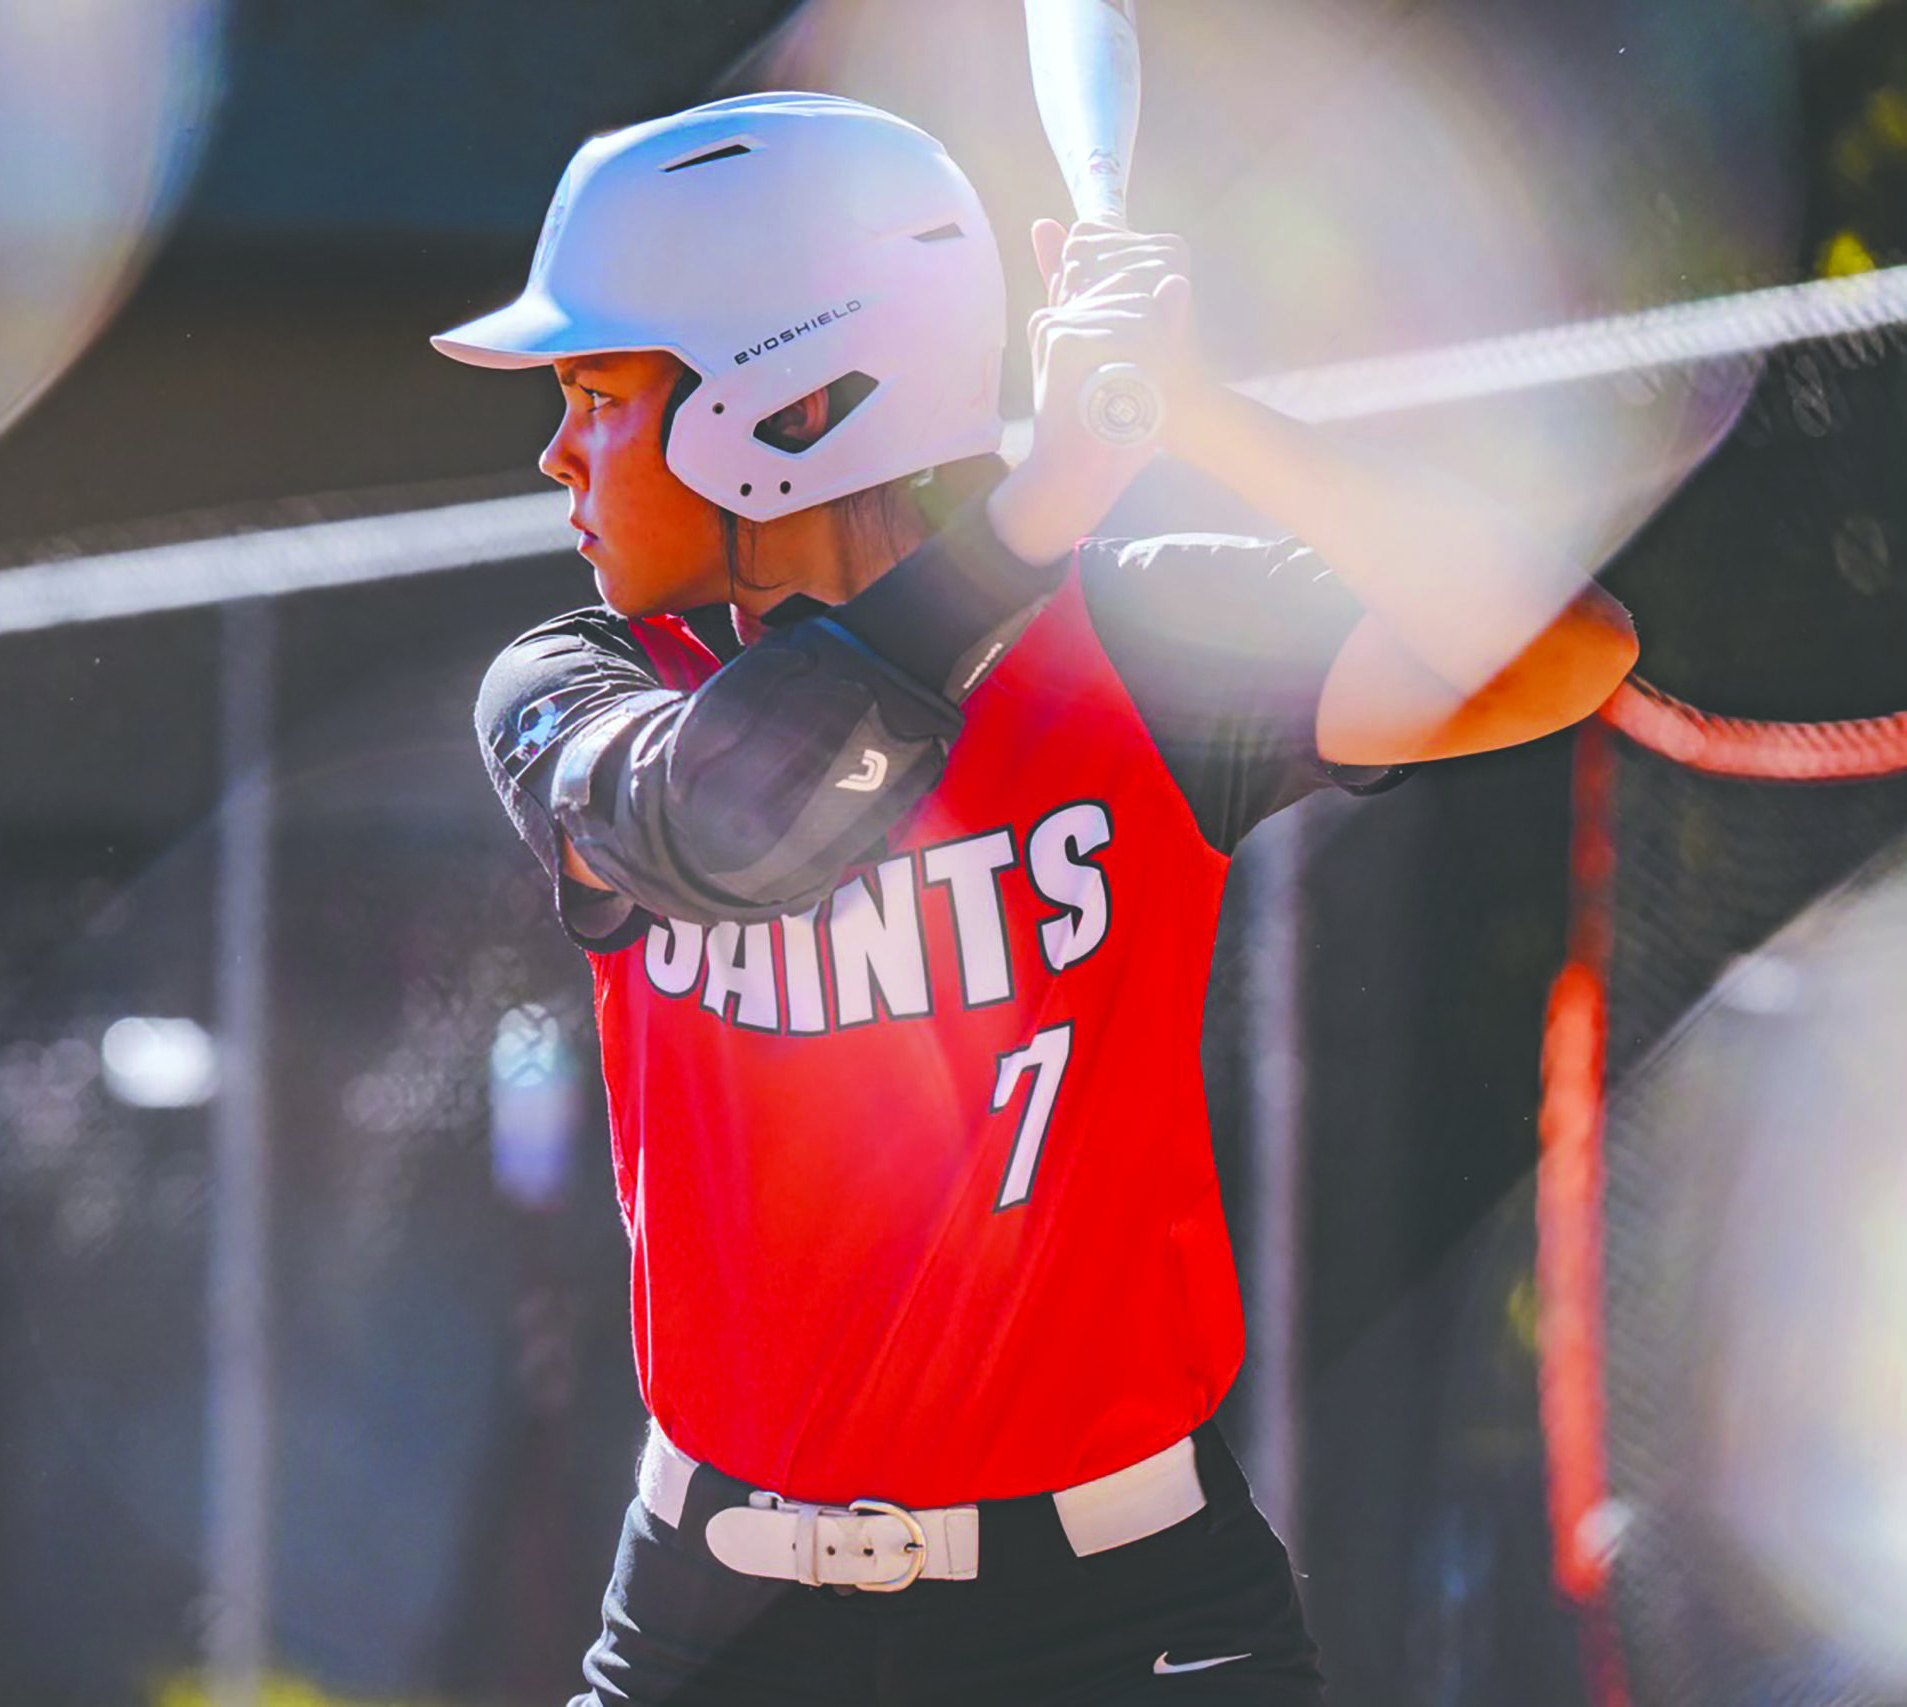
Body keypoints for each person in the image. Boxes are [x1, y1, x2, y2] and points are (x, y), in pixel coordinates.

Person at [439, 92, 1635, 1705]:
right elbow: (727, 819)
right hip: (719, 1623)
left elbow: (1561, 649)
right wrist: (1030, 514)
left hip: (1120, 1614)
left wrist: (1204, 414)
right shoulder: (583, 680)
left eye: (597, 391)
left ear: (778, 407)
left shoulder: (1132, 639)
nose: (556, 448)